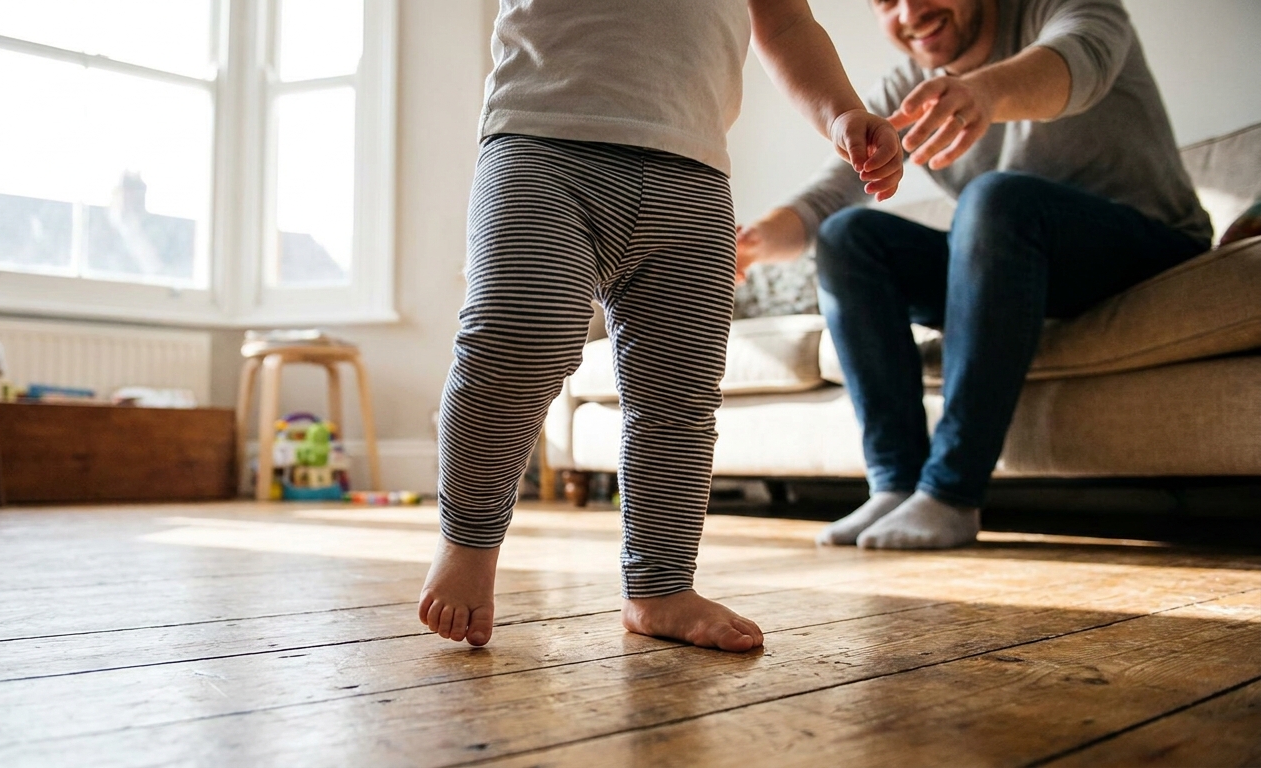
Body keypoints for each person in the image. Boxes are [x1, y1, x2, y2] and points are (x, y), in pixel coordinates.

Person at [419, 0, 905, 652]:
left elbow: (787, 24)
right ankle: (469, 540)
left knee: (679, 393)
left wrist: (841, 110)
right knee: (517, 341)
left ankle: (660, 583)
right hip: (544, 140)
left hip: (695, 173)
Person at [737, 0, 1212, 551]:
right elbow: (830, 195)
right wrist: (751, 242)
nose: (911, 11)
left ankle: (951, 492)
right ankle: (896, 484)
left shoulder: (1058, 9)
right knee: (849, 237)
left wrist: (985, 92)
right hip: (1015, 273)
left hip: (1146, 249)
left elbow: (1081, 61)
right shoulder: (907, 86)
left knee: (994, 198)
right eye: (887, 1)